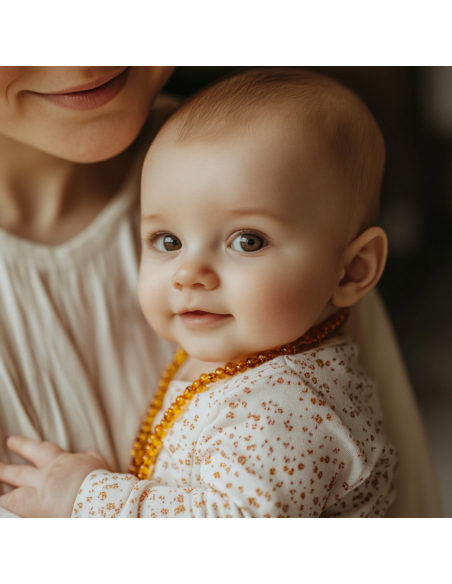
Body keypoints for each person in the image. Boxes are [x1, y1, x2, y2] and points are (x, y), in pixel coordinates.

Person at [0, 67, 441, 518]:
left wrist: (85, 498)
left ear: (352, 272)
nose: (190, 273)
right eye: (167, 242)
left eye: (248, 241)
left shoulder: (293, 408)